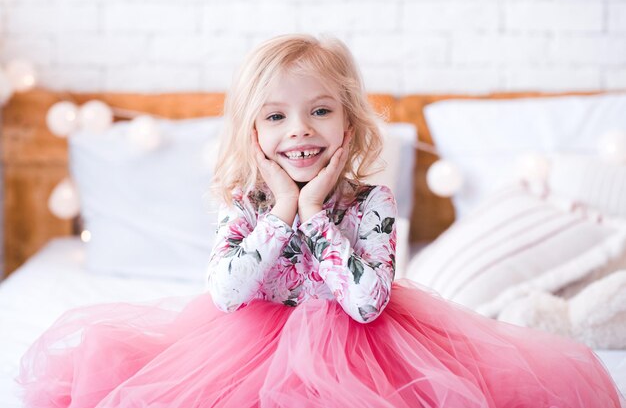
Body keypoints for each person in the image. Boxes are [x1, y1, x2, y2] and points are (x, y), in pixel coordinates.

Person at [18, 34, 622, 408]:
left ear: (348, 126)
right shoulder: (244, 204)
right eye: (276, 116)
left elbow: (366, 304)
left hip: (364, 351)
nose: (300, 129)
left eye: (320, 110)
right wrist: (281, 212)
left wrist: (315, 215)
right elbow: (226, 294)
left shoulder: (373, 202)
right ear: (253, 134)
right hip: (244, 349)